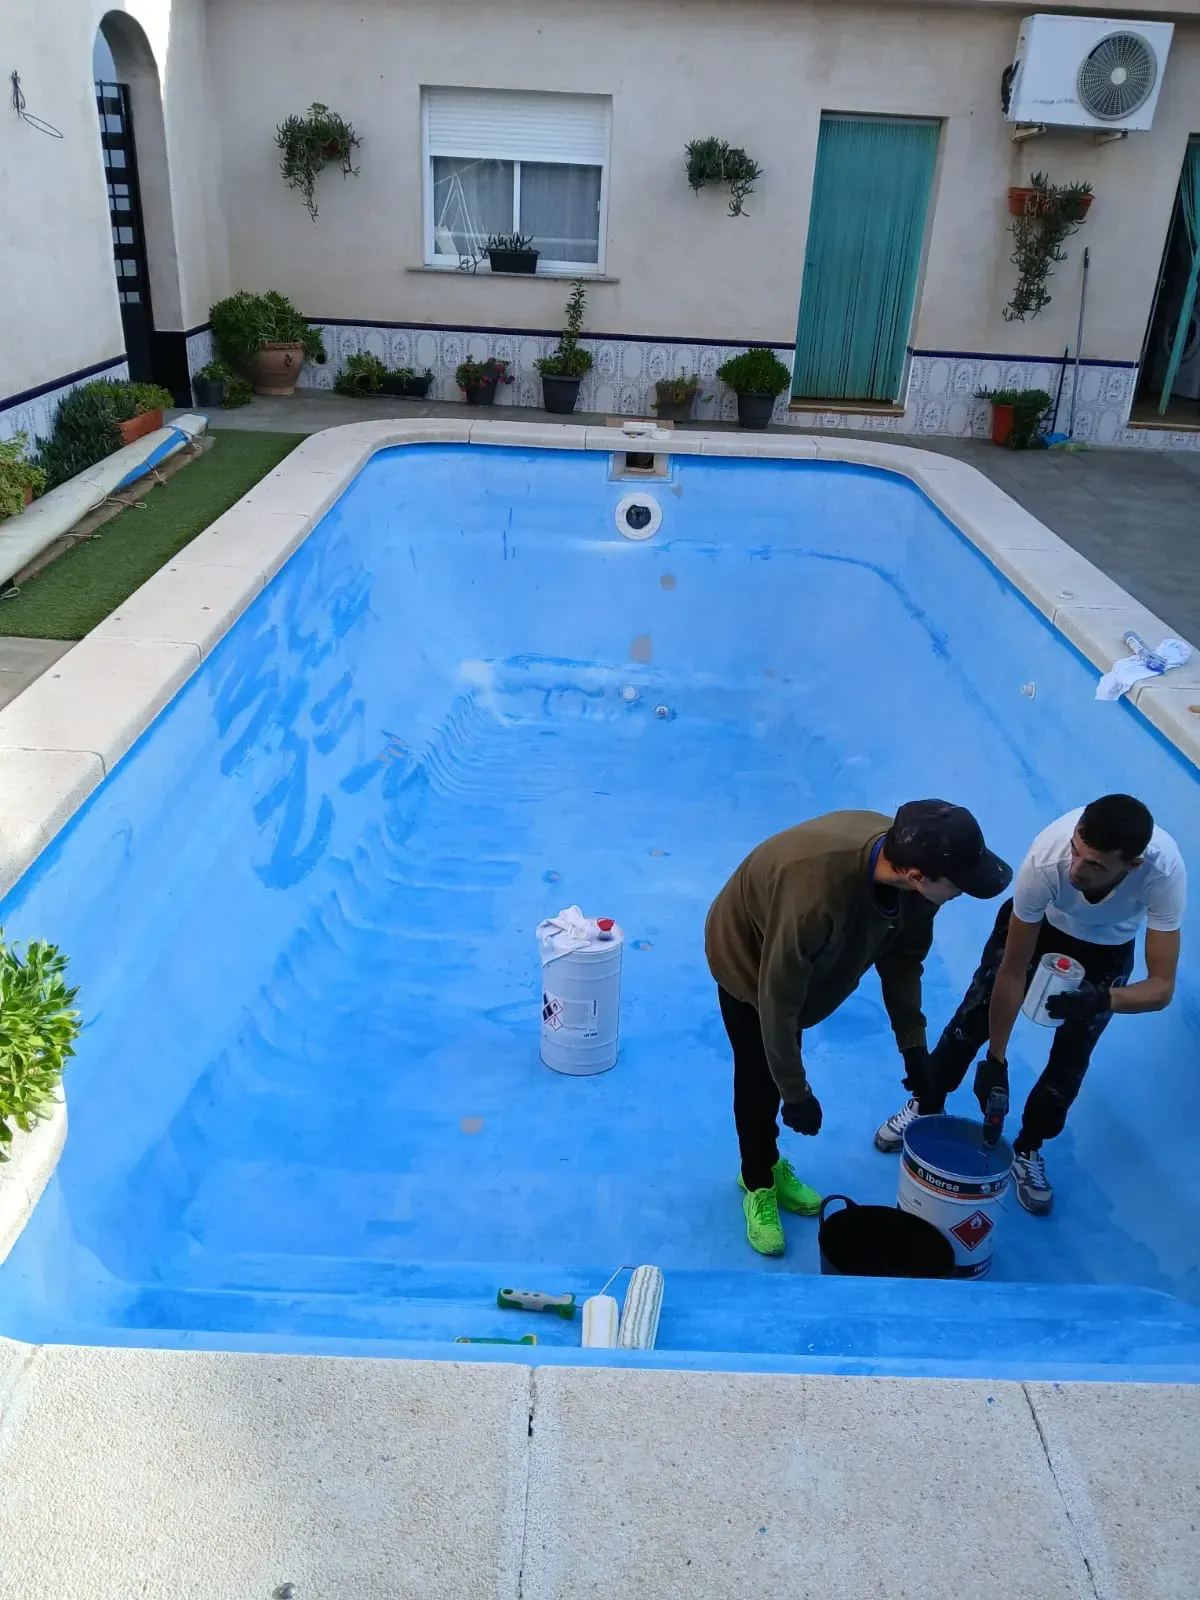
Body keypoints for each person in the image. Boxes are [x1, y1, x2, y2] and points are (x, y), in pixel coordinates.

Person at [705, 802, 1012, 1256]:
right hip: (749, 955)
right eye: (959, 886)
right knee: (759, 1072)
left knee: (777, 1060)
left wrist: (914, 1047)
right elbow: (777, 1001)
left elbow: (904, 961)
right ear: (918, 876)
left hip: (799, 952)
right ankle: (757, 1179)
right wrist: (796, 1092)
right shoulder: (813, 895)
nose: (961, 894)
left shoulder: (916, 875)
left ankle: (766, 1160)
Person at [875, 795, 1185, 1216]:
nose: (1076, 869)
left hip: (1107, 950)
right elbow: (1013, 971)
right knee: (974, 1015)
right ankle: (926, 1102)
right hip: (1043, 926)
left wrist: (1102, 999)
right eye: (1077, 851)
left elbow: (1161, 988)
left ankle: (1029, 1148)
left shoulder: (1163, 871)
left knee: (1073, 1056)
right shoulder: (1046, 860)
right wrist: (997, 1060)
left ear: (1130, 866)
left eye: (1094, 865)